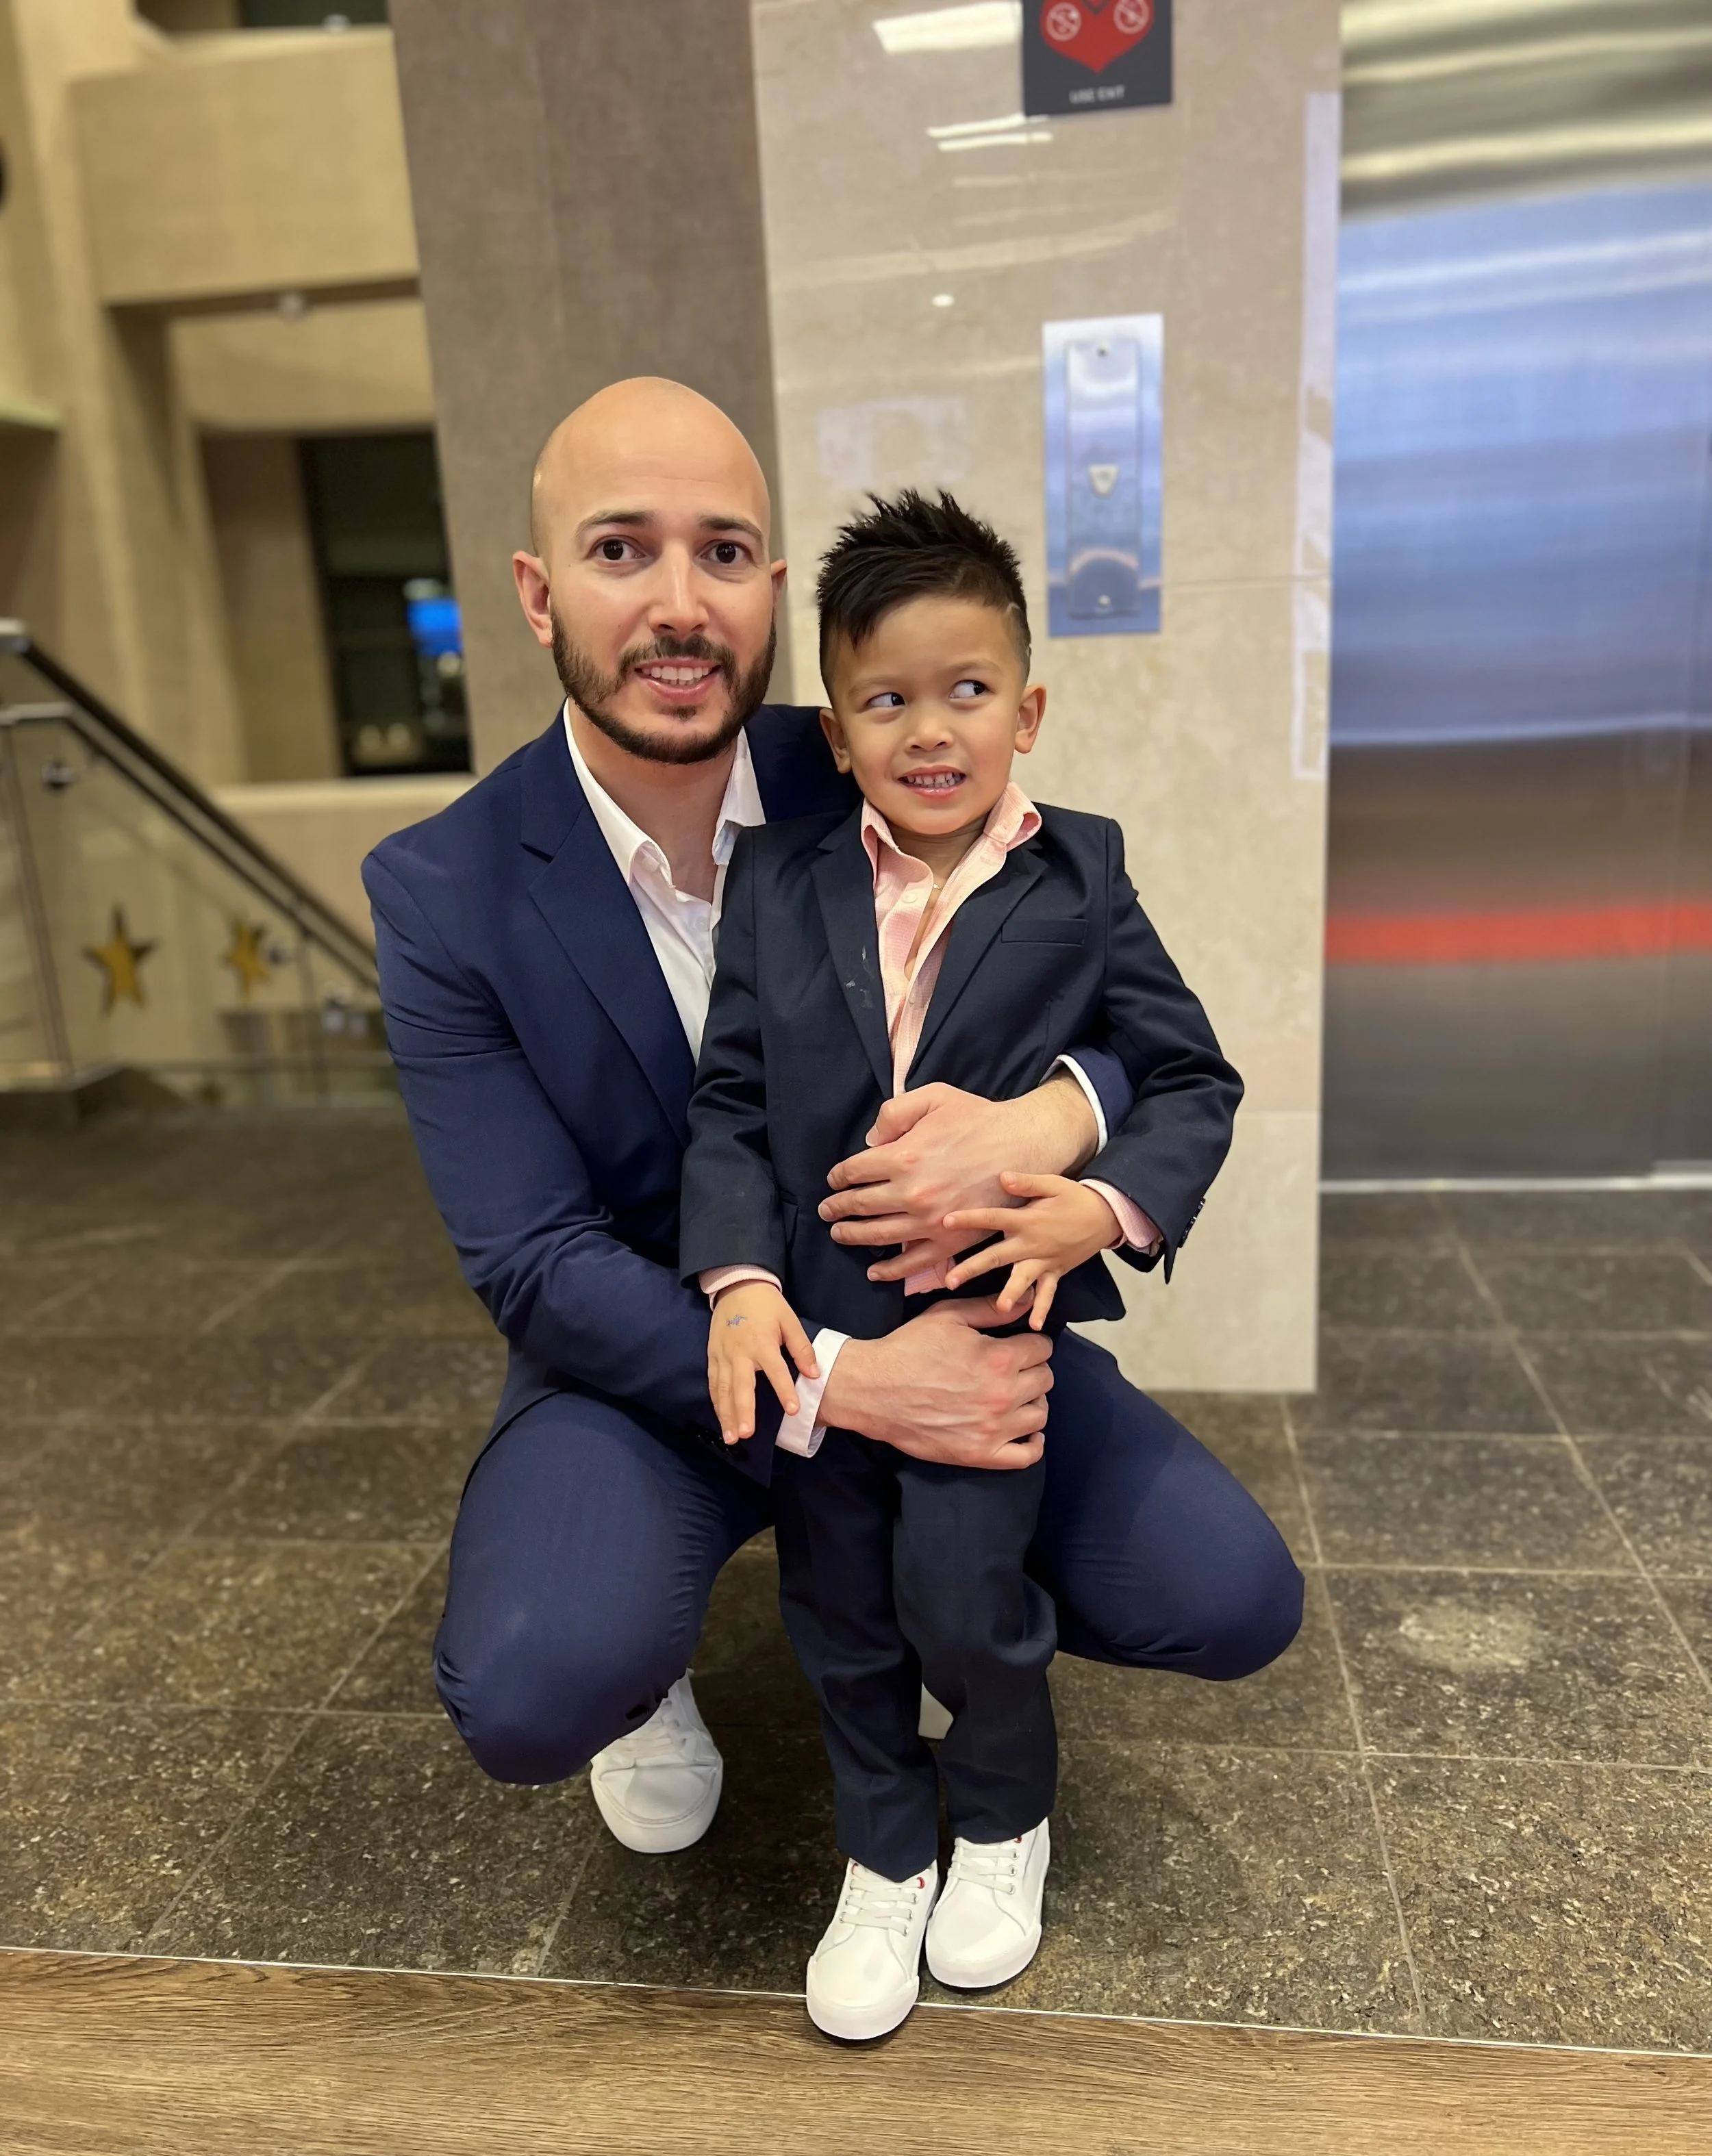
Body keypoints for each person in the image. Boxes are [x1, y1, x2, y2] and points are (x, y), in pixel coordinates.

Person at [362, 377, 1301, 1895]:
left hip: (918, 1297)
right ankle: (641, 1655)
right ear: (537, 595)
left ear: (774, 592)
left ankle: (948, 1611)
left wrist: (1051, 1118)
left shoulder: (880, 741)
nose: (679, 603)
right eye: (621, 550)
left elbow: (1122, 1004)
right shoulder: (443, 888)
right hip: (653, 1365)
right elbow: (530, 1258)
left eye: (723, 551)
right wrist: (858, 1390)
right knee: (536, 1681)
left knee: (1227, 1595)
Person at [681, 491, 1242, 2038]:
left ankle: (999, 1821)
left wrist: (1097, 1204)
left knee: (966, 1591)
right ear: (839, 732)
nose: (930, 731)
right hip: (822, 1339)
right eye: (884, 701)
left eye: (965, 691)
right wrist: (737, 1280)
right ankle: (882, 1848)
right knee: (839, 1601)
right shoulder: (779, 885)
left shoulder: (1081, 877)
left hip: (992, 1323)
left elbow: (1186, 1076)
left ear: (1027, 707)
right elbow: (727, 1102)